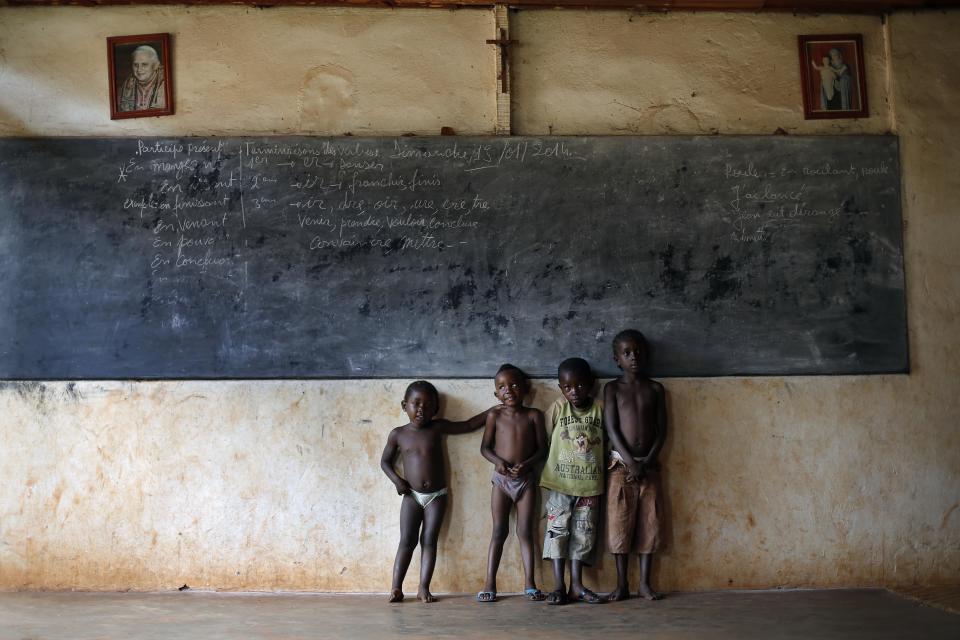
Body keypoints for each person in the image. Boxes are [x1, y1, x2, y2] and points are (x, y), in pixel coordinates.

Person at [380, 380, 497, 604]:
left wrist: (493, 410)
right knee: (407, 541)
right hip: (411, 495)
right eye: (416, 403)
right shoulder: (398, 434)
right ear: (405, 406)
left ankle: (424, 587)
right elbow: (385, 462)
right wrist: (397, 481)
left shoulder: (438, 427)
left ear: (436, 409)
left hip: (437, 496)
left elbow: (468, 425)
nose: (421, 409)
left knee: (429, 540)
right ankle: (396, 587)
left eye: (428, 404)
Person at [604, 330, 668, 601]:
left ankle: (644, 583)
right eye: (627, 353)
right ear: (616, 359)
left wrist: (647, 461)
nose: (634, 357)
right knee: (619, 524)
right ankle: (621, 584)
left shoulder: (655, 388)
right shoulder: (612, 388)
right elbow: (612, 427)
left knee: (649, 523)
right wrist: (630, 462)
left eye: (638, 351)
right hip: (621, 467)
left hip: (649, 467)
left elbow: (662, 430)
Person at [477, 364, 548, 603]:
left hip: (526, 481)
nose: (509, 390)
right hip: (501, 481)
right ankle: (489, 583)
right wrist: (498, 462)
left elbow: (542, 449)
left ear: (525, 388)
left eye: (514, 384)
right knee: (499, 531)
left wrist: (527, 464)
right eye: (502, 387)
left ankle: (530, 583)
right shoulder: (494, 415)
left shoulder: (534, 415)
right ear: (496, 393)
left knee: (525, 532)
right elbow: (484, 448)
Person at [540, 357, 605, 605]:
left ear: (591, 384)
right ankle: (559, 585)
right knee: (558, 532)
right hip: (560, 485)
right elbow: (544, 437)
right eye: (567, 387)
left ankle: (577, 585)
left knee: (583, 534)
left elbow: (608, 440)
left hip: (589, 486)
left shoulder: (601, 408)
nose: (574, 391)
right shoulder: (558, 408)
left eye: (579, 385)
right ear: (560, 388)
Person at [118, 45, 166, 112]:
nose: (139, 69)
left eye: (144, 64)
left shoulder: (166, 83)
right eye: (135, 65)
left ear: (155, 65)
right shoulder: (127, 84)